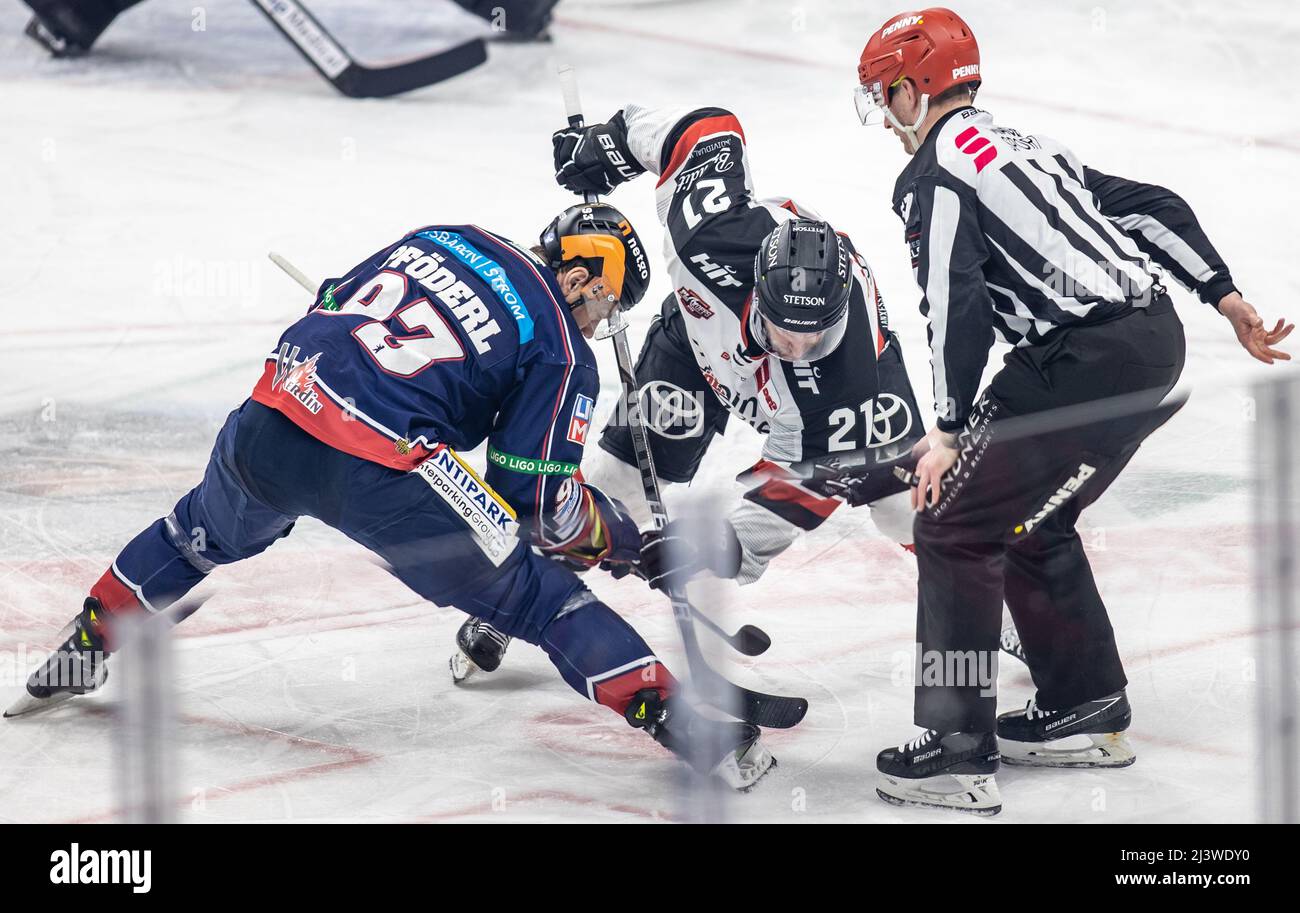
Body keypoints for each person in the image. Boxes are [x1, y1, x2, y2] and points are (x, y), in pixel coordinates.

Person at [5, 204, 775, 791]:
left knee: (194, 533)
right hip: (383, 469)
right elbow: (537, 509)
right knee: (545, 603)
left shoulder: (446, 234)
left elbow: (336, 299)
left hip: (273, 414)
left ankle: (86, 641)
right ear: (583, 277)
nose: (600, 320)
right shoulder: (562, 345)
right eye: (608, 305)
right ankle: (678, 718)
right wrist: (626, 542)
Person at [855, 7, 1293, 814]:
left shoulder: (935, 175)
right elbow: (1150, 203)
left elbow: (957, 307)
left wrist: (949, 430)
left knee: (951, 520)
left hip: (1078, 359)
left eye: (886, 95)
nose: (884, 116)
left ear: (917, 90)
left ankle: (957, 749)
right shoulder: (1027, 145)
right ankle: (1083, 705)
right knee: (1030, 517)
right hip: (1154, 341)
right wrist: (1223, 294)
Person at [448, 100, 929, 679]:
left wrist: (705, 549)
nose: (797, 347)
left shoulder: (849, 388)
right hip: (696, 348)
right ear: (759, 289)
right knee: (617, 479)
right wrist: (613, 144)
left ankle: (995, 611)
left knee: (906, 510)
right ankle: (515, 597)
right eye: (785, 329)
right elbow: (707, 131)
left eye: (813, 336)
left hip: (817, 414)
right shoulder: (713, 239)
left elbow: (797, 493)